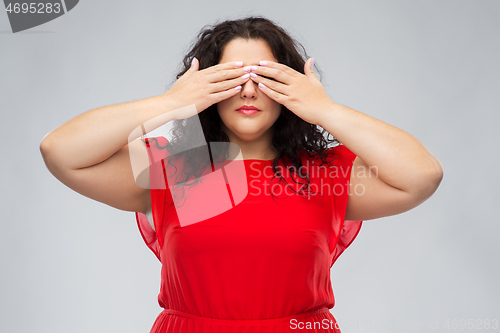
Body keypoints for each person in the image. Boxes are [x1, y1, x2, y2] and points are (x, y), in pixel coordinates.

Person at [40, 16, 443, 333]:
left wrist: (324, 109)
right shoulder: (176, 169)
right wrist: (171, 102)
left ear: (290, 86)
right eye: (231, 78)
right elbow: (60, 151)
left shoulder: (324, 174)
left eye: (263, 78)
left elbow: (422, 175)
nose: (248, 91)